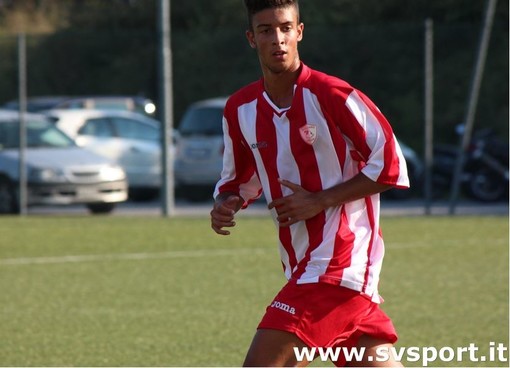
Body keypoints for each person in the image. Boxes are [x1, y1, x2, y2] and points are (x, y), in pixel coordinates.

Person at [210, 0, 409, 366]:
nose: (278, 39)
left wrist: (319, 200)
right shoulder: (240, 109)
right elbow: (239, 178)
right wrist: (227, 203)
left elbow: (390, 165)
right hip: (304, 264)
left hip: (337, 264)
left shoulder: (334, 95)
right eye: (267, 30)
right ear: (252, 39)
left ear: (299, 32)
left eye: (286, 28)